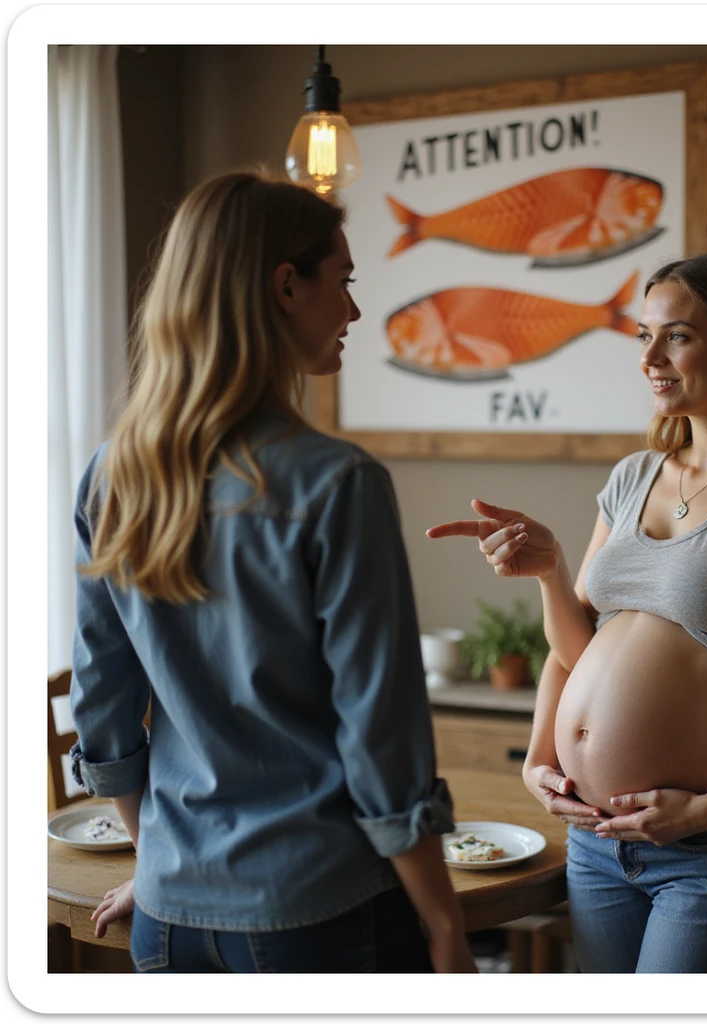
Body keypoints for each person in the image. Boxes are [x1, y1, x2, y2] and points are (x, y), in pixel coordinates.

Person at [68, 169, 477, 974]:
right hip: (324, 913)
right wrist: (445, 921)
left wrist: (164, 866)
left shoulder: (111, 475)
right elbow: (382, 737)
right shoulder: (338, 482)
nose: (356, 311)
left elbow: (104, 712)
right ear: (286, 286)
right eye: (345, 282)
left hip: (168, 914)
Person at [426, 253, 707, 973]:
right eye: (642, 336)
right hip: (599, 846)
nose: (650, 358)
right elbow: (579, 646)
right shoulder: (634, 476)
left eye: (677, 337)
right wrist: (542, 754)